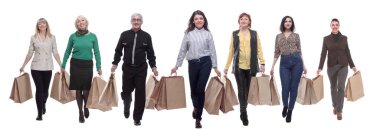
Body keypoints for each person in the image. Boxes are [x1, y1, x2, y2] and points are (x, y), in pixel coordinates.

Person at [171, 10, 220, 128]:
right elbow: (183, 50)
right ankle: (196, 107)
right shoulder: (188, 34)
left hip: (205, 63)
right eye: (197, 18)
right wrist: (177, 65)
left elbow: (212, 51)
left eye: (201, 18)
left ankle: (198, 118)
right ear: (193, 21)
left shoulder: (208, 34)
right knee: (193, 89)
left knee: (200, 88)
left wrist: (215, 67)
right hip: (192, 64)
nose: (199, 20)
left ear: (204, 21)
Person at [111, 13, 158, 126]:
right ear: (131, 21)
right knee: (126, 92)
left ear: (141, 22)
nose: (136, 22)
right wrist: (115, 63)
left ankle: (137, 118)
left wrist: (153, 66)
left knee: (140, 94)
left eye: (138, 20)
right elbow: (118, 51)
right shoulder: (124, 35)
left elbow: (151, 53)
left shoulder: (147, 36)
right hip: (127, 68)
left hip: (141, 69)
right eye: (134, 20)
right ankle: (127, 104)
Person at [223, 13, 265, 126]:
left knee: (248, 90)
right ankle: (243, 112)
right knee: (241, 89)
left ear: (249, 22)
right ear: (239, 21)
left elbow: (259, 49)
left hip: (252, 67)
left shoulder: (254, 34)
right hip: (239, 67)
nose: (243, 20)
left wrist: (262, 62)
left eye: (246, 19)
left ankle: (243, 108)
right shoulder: (234, 34)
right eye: (241, 19)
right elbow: (231, 51)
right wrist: (226, 67)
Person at [61, 15, 102, 123]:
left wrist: (99, 67)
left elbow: (97, 52)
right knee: (78, 90)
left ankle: (86, 106)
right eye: (78, 21)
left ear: (86, 23)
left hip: (88, 65)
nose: (81, 22)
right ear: (76, 24)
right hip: (75, 65)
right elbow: (67, 51)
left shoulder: (93, 36)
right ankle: (80, 112)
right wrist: (63, 65)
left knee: (86, 89)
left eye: (82, 20)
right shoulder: (73, 36)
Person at [20, 18, 62, 121]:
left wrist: (61, 65)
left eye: (43, 23)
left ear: (46, 25)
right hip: (36, 67)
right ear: (37, 26)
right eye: (39, 24)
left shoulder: (52, 37)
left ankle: (43, 104)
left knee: (45, 90)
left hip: (48, 67)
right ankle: (39, 113)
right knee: (39, 89)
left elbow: (55, 52)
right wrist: (23, 65)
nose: (41, 25)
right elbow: (30, 53)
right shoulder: (33, 37)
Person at [317, 18, 357, 120]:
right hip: (331, 66)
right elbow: (323, 54)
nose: (335, 26)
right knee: (333, 87)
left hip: (343, 65)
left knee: (341, 87)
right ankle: (335, 105)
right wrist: (320, 67)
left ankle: (339, 110)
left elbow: (348, 52)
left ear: (339, 26)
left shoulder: (344, 38)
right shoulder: (326, 39)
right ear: (330, 26)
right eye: (333, 24)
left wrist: (352, 65)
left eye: (336, 24)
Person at [270, 16, 307, 123]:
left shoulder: (296, 36)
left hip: (297, 62)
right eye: (286, 21)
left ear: (292, 24)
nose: (287, 23)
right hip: (284, 63)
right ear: (283, 23)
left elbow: (300, 51)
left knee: (293, 88)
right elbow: (276, 52)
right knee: (285, 87)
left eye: (289, 21)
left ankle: (290, 110)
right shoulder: (278, 36)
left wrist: (304, 66)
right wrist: (272, 66)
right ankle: (285, 105)